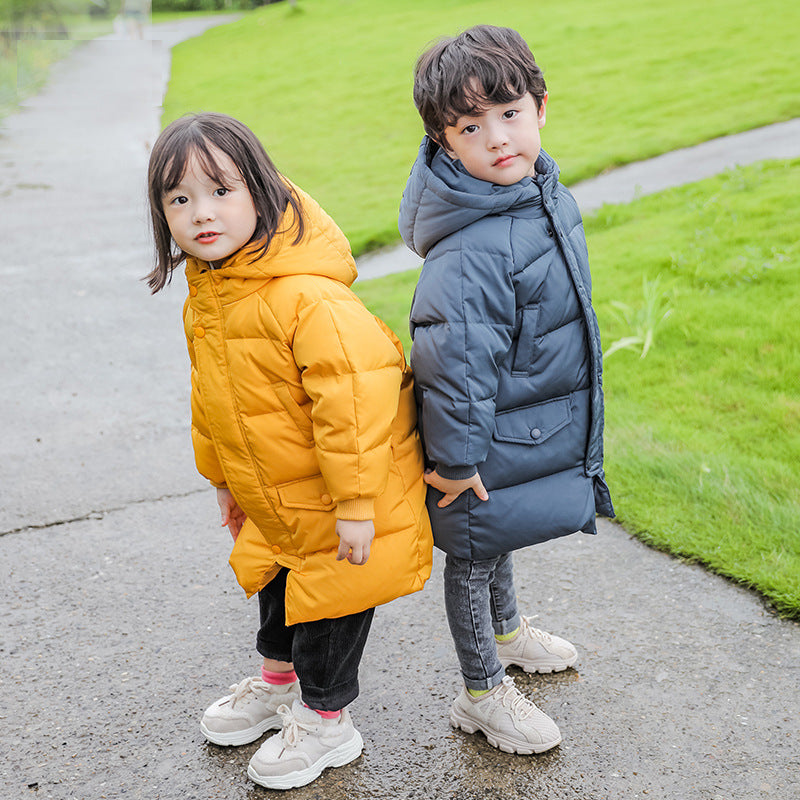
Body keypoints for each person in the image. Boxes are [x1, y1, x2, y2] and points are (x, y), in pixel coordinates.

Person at [146, 112, 432, 790]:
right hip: (280, 497)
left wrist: (357, 504)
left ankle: (327, 719)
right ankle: (280, 686)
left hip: (344, 497)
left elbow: (355, 407)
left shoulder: (306, 298)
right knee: (278, 587)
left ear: (264, 191)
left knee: (330, 602)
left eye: (220, 190)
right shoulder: (210, 295)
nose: (201, 213)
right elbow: (210, 397)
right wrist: (221, 478)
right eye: (179, 199)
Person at [398, 25, 614, 755]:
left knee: (503, 533)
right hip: (477, 442)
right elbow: (456, 363)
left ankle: (510, 633)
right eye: (470, 125)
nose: (496, 138)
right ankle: (483, 692)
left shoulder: (537, 195)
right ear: (443, 139)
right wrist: (457, 463)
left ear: (541, 107)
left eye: (509, 113)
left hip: (516, 428)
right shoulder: (471, 247)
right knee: (473, 555)